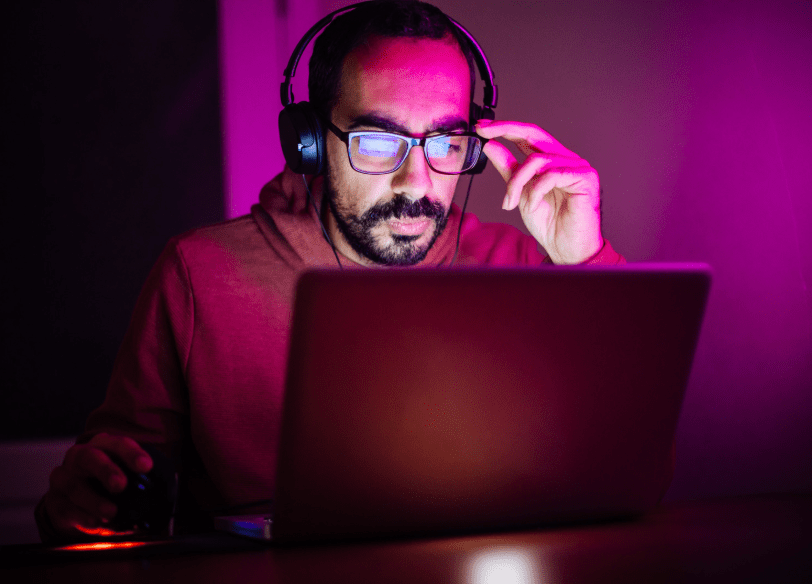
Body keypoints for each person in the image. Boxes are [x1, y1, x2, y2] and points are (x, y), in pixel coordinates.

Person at [36, 0, 625, 541]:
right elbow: (109, 485)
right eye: (375, 140)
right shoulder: (198, 275)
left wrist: (586, 258)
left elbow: (625, 463)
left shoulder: (526, 269)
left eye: (445, 141)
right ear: (310, 142)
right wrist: (87, 502)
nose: (416, 184)